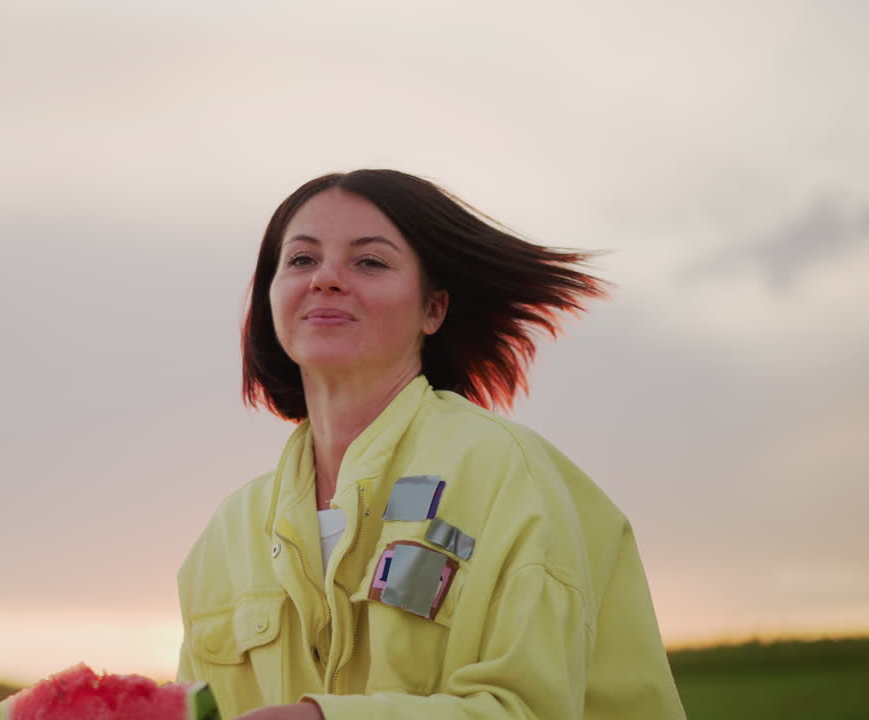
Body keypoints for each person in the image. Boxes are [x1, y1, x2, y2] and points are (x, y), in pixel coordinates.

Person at [175, 169, 685, 720]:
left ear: (433, 309)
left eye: (368, 260)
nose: (325, 278)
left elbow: (532, 709)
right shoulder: (228, 534)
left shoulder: (504, 471)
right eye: (301, 259)